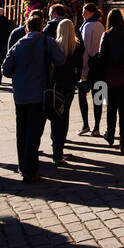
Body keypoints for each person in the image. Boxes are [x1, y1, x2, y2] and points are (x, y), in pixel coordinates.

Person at [2, 13, 64, 184]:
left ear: (27, 28)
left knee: (21, 131)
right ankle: (30, 171)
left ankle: (22, 166)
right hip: (39, 95)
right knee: (34, 133)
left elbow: (6, 70)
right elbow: (61, 60)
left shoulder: (17, 45)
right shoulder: (47, 42)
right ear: (42, 27)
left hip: (20, 95)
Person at [95, 8, 124, 155]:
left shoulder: (106, 35)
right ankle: (123, 141)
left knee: (111, 108)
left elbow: (101, 58)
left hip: (111, 77)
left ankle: (110, 134)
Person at [47, 18, 83, 165]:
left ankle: (56, 148)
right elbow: (80, 66)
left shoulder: (54, 45)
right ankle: (60, 147)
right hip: (69, 84)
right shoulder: (78, 46)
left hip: (56, 84)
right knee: (65, 113)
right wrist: (77, 79)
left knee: (56, 115)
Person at [77, 3, 104, 135]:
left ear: (92, 13)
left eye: (85, 12)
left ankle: (85, 124)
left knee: (82, 95)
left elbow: (85, 50)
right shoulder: (101, 25)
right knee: (98, 98)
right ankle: (97, 128)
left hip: (89, 67)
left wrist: (83, 70)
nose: (83, 14)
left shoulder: (87, 26)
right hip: (100, 67)